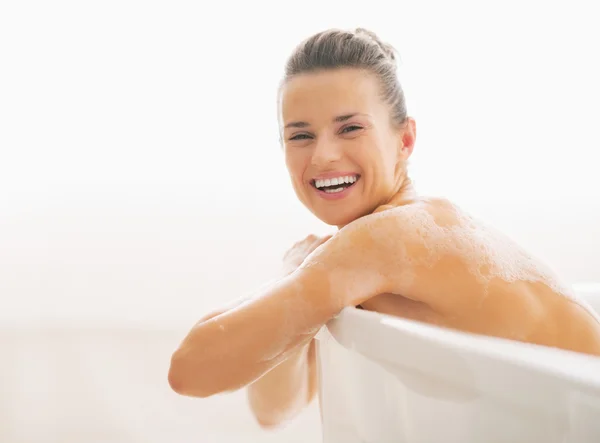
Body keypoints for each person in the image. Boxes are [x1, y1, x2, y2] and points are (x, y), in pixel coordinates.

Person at [168, 28, 600, 427]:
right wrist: (295, 277)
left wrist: (300, 274)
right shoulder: (365, 256)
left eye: (350, 128)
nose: (322, 157)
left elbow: (189, 369)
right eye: (301, 136)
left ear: (405, 140)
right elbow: (275, 408)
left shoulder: (396, 237)